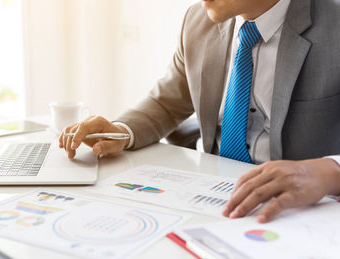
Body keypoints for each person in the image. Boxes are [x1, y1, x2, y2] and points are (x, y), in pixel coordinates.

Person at [59, 0, 340, 223]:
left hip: (299, 213)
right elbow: (166, 103)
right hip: (211, 199)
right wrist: (120, 131)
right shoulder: (198, 21)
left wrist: (331, 172)